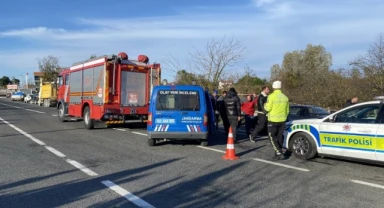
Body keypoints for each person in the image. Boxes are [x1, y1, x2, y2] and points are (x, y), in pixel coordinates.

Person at [264, 81, 289, 160]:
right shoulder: (285, 97)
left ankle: (278, 152)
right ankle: (277, 154)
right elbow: (287, 110)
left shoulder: (271, 96)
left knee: (271, 137)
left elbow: (268, 108)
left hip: (273, 120)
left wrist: (265, 105)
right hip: (282, 120)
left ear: (273, 87)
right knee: (280, 137)